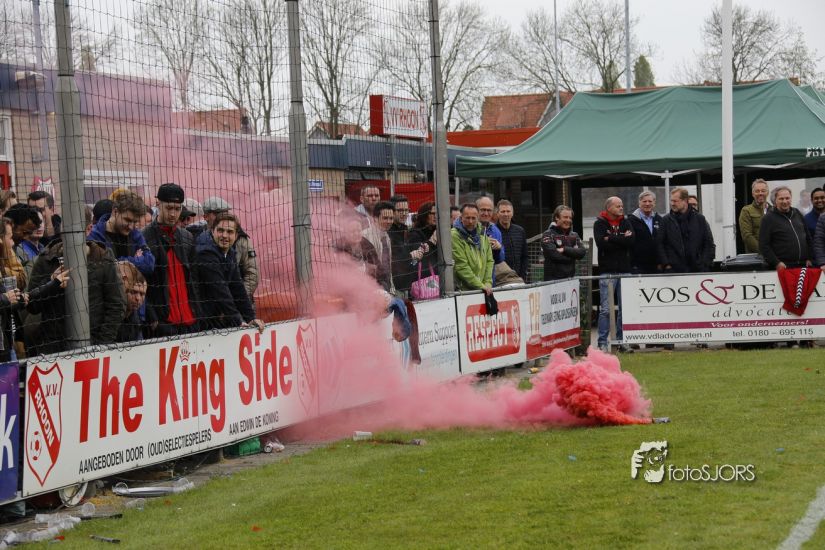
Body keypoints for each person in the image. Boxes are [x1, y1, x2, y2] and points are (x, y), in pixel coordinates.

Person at [27, 206, 126, 355]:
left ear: (88, 229)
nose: (68, 236)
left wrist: (101, 345)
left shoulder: (103, 259)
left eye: (74, 232)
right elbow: (31, 305)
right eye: (65, 230)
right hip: (53, 348)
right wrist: (51, 283)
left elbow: (117, 305)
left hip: (93, 347)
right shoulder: (47, 258)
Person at [142, 183, 200, 337]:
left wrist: (198, 312)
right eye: (169, 208)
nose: (173, 214)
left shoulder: (187, 237)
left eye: (177, 208)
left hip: (191, 322)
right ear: (158, 204)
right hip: (162, 324)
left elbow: (195, 279)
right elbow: (140, 281)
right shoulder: (144, 238)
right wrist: (153, 319)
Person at [194, 212, 264, 332]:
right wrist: (238, 320)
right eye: (220, 230)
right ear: (212, 231)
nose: (224, 235)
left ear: (236, 236)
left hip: (216, 318)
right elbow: (220, 290)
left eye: (230, 232)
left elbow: (238, 288)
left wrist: (250, 318)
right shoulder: (205, 253)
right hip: (202, 321)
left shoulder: (230, 252)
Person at [189, 197, 258, 303]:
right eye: (217, 213)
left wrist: (237, 299)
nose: (222, 216)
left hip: (237, 302)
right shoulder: (195, 236)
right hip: (208, 304)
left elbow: (252, 273)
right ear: (206, 216)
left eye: (225, 213)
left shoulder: (240, 239)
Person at [594, 196, 634, 352]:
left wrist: (610, 238)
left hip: (625, 271)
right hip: (607, 272)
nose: (621, 208)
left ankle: (621, 341)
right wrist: (621, 239)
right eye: (618, 206)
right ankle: (602, 343)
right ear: (608, 207)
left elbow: (631, 242)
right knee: (606, 309)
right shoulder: (599, 223)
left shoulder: (626, 221)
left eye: (622, 205)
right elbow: (601, 243)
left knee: (625, 309)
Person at [88, 189, 155, 277]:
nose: (131, 227)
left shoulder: (135, 234)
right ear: (115, 212)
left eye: (135, 222)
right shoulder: (94, 235)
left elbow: (149, 264)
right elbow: (102, 269)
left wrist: (117, 261)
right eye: (127, 220)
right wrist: (135, 260)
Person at [657, 187, 715, 273]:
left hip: (698, 270)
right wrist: (667, 265)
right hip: (673, 272)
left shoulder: (700, 219)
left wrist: (704, 264)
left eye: (675, 201)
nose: (672, 204)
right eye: (671, 201)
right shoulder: (665, 220)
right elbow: (659, 244)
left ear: (685, 201)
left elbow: (708, 243)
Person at [760, 186, 812, 270]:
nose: (785, 201)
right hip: (784, 267)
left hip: (803, 266)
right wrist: (776, 263)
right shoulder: (768, 218)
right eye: (781, 199)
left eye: (787, 198)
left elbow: (808, 238)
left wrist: (810, 258)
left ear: (791, 198)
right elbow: (764, 246)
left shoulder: (797, 213)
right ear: (775, 201)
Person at [451, 203, 493, 294]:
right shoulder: (454, 235)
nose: (470, 221)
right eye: (467, 218)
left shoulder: (482, 233)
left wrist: (488, 282)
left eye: (473, 218)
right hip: (464, 291)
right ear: (461, 218)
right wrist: (480, 285)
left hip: (483, 288)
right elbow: (461, 266)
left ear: (478, 218)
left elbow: (489, 260)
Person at [541, 205, 586, 281]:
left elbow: (582, 252)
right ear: (557, 217)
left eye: (570, 218)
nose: (568, 220)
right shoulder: (548, 234)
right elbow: (554, 255)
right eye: (565, 217)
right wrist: (573, 256)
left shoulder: (574, 235)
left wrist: (564, 249)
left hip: (570, 279)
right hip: (552, 281)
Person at [361, 200, 395, 292]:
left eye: (391, 218)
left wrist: (392, 288)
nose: (389, 221)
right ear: (375, 218)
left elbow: (388, 266)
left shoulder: (386, 237)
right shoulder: (364, 236)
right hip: (371, 287)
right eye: (385, 218)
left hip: (386, 287)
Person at [629, 191, 663, 274]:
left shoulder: (660, 220)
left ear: (654, 203)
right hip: (637, 266)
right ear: (639, 203)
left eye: (650, 201)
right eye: (644, 201)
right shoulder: (630, 221)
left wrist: (661, 261)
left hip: (657, 266)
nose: (647, 204)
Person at [407, 202, 438, 290]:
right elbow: (418, 256)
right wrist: (432, 242)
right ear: (424, 215)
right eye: (432, 213)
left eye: (437, 213)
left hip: (437, 277)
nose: (435, 216)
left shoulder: (437, 231)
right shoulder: (414, 233)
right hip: (422, 280)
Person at [496, 199, 528, 282]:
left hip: (519, 277)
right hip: (500, 279)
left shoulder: (520, 231)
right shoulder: (493, 231)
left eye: (508, 211)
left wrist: (523, 276)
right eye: (503, 211)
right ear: (497, 214)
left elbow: (524, 256)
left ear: (512, 213)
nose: (506, 214)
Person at [116, 261, 147, 343]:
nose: (138, 298)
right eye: (133, 292)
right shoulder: (111, 318)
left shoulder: (136, 320)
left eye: (142, 294)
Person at [738, 178, 770, 254]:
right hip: (755, 256)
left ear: (767, 193)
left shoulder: (774, 210)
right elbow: (747, 236)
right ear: (753, 194)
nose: (760, 193)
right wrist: (764, 251)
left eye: (763, 191)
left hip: (775, 256)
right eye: (757, 191)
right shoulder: (746, 211)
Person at [388, 195, 412, 293]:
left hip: (406, 282)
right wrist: (411, 255)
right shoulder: (388, 231)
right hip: (393, 285)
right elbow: (396, 256)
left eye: (406, 210)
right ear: (392, 211)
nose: (404, 213)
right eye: (400, 210)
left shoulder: (404, 229)